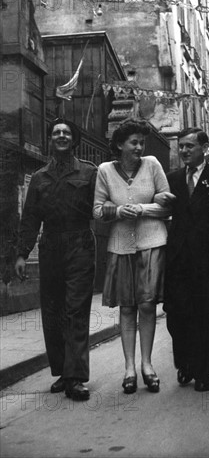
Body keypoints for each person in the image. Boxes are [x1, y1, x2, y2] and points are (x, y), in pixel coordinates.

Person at [15, 118, 97, 401]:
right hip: (50, 246)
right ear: (51, 140)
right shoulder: (39, 178)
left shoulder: (89, 173)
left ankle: (76, 378)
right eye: (56, 133)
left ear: (74, 140)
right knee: (52, 312)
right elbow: (29, 219)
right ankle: (62, 371)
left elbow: (99, 207)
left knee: (76, 310)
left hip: (80, 244)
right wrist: (22, 254)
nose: (61, 136)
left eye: (66, 133)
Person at [93, 118, 170, 394]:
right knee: (127, 307)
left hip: (151, 242)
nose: (139, 147)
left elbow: (166, 204)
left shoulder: (153, 165)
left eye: (141, 142)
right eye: (133, 142)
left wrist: (140, 209)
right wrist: (117, 212)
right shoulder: (104, 170)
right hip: (121, 246)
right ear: (119, 145)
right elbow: (98, 210)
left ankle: (147, 365)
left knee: (148, 305)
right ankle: (129, 369)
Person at [154, 127, 209, 392]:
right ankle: (184, 362)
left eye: (190, 146)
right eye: (181, 146)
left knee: (206, 316)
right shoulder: (171, 179)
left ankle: (204, 372)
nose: (184, 150)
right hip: (178, 259)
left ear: (204, 148)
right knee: (177, 314)